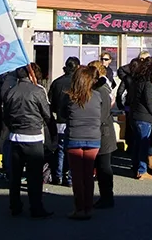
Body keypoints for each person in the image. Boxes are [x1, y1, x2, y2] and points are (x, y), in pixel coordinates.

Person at [3, 66, 53, 219]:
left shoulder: (10, 92)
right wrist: (52, 136)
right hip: (33, 138)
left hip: (15, 137)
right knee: (34, 176)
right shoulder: (37, 91)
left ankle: (15, 205)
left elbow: (6, 116)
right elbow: (47, 115)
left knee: (15, 176)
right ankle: (36, 207)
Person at [64, 66, 102, 220]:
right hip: (93, 138)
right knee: (88, 175)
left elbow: (61, 113)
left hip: (74, 137)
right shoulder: (98, 96)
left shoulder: (69, 97)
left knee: (77, 177)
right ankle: (88, 207)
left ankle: (79, 208)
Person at [87, 61, 118, 209]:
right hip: (103, 130)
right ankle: (105, 196)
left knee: (104, 166)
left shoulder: (102, 90)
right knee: (101, 166)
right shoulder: (102, 88)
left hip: (103, 132)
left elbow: (103, 113)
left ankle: (107, 196)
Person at [48, 56, 80, 187]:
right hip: (74, 120)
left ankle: (58, 175)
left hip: (60, 120)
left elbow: (51, 103)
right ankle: (70, 178)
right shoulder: (78, 83)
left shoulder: (57, 82)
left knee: (61, 149)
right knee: (73, 150)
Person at [128, 58, 152, 180]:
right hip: (144, 117)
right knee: (143, 145)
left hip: (134, 115)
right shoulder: (148, 84)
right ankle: (142, 170)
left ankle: (135, 167)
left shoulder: (135, 82)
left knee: (137, 143)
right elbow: (149, 101)